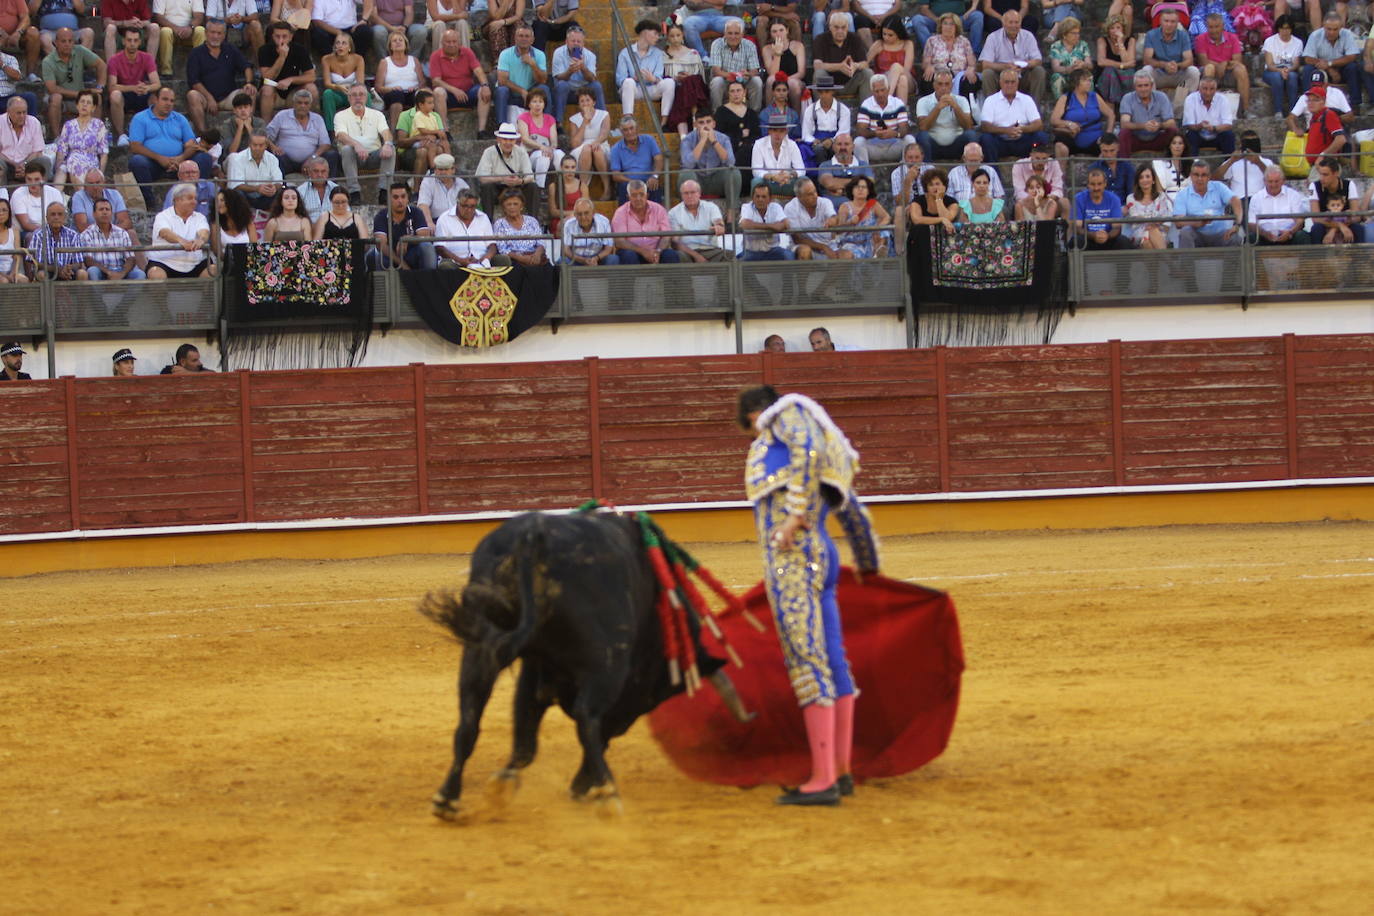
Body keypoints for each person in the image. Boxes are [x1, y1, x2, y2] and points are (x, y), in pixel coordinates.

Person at [736, 384, 878, 805]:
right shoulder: (818, 436)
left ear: (753, 416)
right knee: (833, 659)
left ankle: (822, 780)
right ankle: (841, 770)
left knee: (805, 658)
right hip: (823, 550)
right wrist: (866, 551)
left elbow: (809, 449)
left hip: (794, 559)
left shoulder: (784, 416)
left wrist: (794, 518)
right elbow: (844, 496)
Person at [186, 19, 255, 135]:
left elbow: (246, 67)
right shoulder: (196, 53)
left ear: (224, 35)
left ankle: (248, 130)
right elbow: (194, 81)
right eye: (212, 32)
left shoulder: (230, 49)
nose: (215, 36)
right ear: (206, 33)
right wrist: (209, 98)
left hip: (229, 97)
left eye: (219, 33)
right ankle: (203, 135)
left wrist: (249, 82)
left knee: (251, 91)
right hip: (205, 98)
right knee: (192, 95)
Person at [334, 83, 396, 205]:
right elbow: (341, 135)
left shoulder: (377, 114)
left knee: (391, 148)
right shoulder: (340, 116)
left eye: (361, 94)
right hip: (354, 157)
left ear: (366, 97)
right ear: (349, 98)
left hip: (374, 155)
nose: (358, 98)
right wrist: (356, 145)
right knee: (346, 149)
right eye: (354, 95)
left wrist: (387, 143)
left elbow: (386, 132)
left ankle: (384, 191)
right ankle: (354, 192)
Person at [40, 27, 104, 138]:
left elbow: (101, 65)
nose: (67, 44)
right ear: (56, 43)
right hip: (60, 98)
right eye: (63, 41)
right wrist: (80, 93)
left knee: (96, 97)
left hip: (79, 97)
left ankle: (94, 136)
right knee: (56, 98)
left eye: (70, 41)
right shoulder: (48, 61)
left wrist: (100, 86)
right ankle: (57, 138)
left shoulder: (79, 51)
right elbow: (52, 88)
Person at [978, 67, 1049, 161]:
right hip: (1000, 141)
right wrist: (1006, 130)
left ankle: (1035, 169)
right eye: (1006, 82)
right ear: (1000, 83)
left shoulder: (1026, 99)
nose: (1010, 85)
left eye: (1013, 82)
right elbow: (985, 126)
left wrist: (1022, 129)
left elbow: (1038, 124)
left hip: (1022, 140)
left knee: (1041, 137)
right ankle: (993, 171)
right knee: (986, 139)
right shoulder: (991, 100)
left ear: (1018, 83)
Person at [429, 26, 491, 132]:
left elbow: (478, 71)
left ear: (459, 42)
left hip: (468, 93)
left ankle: (482, 130)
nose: (452, 44)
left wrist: (485, 86)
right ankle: (445, 130)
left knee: (483, 91)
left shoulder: (467, 52)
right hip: (448, 96)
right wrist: (454, 90)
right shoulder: (435, 56)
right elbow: (436, 80)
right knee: (438, 92)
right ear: (442, 43)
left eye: (454, 41)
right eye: (448, 42)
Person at [107, 24, 160, 145]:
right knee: (115, 95)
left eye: (135, 40)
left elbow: (157, 83)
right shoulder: (114, 60)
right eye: (129, 40)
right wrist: (133, 88)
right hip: (124, 94)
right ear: (123, 41)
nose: (132, 43)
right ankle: (121, 135)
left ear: (140, 42)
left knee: (155, 96)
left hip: (141, 93)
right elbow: (112, 86)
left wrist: (147, 88)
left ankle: (153, 133)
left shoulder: (147, 58)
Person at [1140, 8, 1199, 115]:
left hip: (1178, 74)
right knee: (1146, 70)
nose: (1169, 24)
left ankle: (1181, 111)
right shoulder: (1151, 35)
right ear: (1160, 22)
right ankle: (1154, 109)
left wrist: (1177, 65)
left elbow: (1189, 60)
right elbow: (1147, 59)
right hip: (1160, 74)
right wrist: (1163, 65)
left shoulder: (1183, 35)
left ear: (1177, 23)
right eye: (1166, 21)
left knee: (1194, 71)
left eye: (1172, 22)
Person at [680, 107, 740, 211]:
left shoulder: (723, 138)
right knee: (686, 174)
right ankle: (690, 213)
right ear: (695, 125)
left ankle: (731, 218)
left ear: (714, 124)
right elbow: (688, 164)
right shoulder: (687, 140)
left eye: (708, 122)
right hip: (697, 180)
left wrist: (714, 141)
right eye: (701, 123)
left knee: (734, 172)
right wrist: (702, 141)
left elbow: (730, 162)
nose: (705, 125)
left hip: (716, 179)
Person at [1173, 157, 1242, 248]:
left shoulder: (1218, 187)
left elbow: (1235, 200)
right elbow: (1178, 222)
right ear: (1191, 176)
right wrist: (1197, 223)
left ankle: (1230, 263)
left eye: (1204, 175)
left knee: (1234, 237)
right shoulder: (1183, 194)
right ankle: (1187, 263)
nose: (1200, 179)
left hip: (1220, 234)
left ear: (1209, 176)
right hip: (1196, 234)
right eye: (1196, 175)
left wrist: (1237, 224)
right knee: (1185, 232)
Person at [266, 89, 335, 178]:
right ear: (293, 103)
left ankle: (332, 188)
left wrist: (312, 158)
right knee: (275, 158)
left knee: (332, 155)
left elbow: (325, 144)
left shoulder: (318, 119)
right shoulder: (282, 116)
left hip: (312, 161)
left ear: (310, 105)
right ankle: (280, 189)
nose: (302, 106)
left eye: (306, 103)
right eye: (299, 103)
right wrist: (273, 147)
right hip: (286, 160)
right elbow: (265, 136)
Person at [149, 183, 213, 278]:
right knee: (156, 274)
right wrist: (182, 242)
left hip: (195, 263)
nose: (194, 202)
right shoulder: (162, 216)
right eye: (190, 198)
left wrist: (201, 240)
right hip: (164, 262)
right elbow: (165, 233)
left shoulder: (200, 217)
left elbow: (204, 231)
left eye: (195, 199)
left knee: (212, 270)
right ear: (177, 200)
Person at [978, 9, 1045, 100]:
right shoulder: (993, 37)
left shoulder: (1028, 36)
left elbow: (1038, 60)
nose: (1014, 25)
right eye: (1010, 22)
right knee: (987, 73)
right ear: (1004, 23)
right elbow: (985, 64)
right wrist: (1005, 66)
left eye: (1016, 22)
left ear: (1020, 23)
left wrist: (1025, 64)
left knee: (1039, 71)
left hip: (1023, 74)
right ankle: (991, 108)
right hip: (1001, 76)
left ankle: (1034, 109)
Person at [258, 21, 318, 122]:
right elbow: (267, 77)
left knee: (312, 88)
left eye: (284, 36)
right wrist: (282, 58)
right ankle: (266, 127)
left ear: (290, 37)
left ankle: (311, 123)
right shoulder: (264, 50)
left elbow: (311, 76)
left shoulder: (300, 50)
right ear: (272, 36)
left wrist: (290, 80)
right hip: (272, 89)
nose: (281, 40)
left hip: (292, 90)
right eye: (277, 36)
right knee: (267, 90)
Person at [612, 179, 681, 265]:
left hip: (655, 250)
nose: (638, 198)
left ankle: (674, 279)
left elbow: (666, 237)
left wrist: (658, 252)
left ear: (647, 195)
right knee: (628, 255)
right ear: (628, 197)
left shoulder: (659, 209)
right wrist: (643, 251)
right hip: (633, 252)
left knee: (671, 255)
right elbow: (619, 241)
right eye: (634, 195)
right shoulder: (620, 212)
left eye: (641, 194)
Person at [616, 19, 673, 122]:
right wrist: (634, 78)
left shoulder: (658, 53)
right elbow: (620, 79)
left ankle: (665, 120)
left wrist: (653, 79)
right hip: (633, 90)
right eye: (655, 33)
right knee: (628, 82)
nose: (657, 37)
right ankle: (628, 119)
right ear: (645, 32)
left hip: (651, 89)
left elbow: (659, 76)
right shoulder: (625, 52)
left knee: (669, 82)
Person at [1050, 68, 1113, 160]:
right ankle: (1061, 174)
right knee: (1060, 145)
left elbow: (1111, 114)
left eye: (1090, 80)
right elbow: (1054, 120)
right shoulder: (1065, 98)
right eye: (1085, 80)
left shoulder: (1094, 96)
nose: (1089, 83)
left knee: (1107, 148)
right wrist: (1069, 124)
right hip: (1073, 137)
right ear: (1076, 82)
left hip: (1095, 138)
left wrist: (1108, 133)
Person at [1302, 11, 1361, 109]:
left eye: (1335, 29)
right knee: (1308, 69)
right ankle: (1307, 103)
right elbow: (1308, 58)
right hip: (1321, 69)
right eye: (1329, 29)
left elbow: (1352, 56)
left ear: (1341, 27)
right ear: (1323, 26)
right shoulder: (1315, 35)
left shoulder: (1347, 34)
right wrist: (1329, 69)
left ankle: (1355, 104)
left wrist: (1330, 64)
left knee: (1353, 67)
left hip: (1341, 68)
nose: (1331, 32)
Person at [1193, 12, 1249, 115]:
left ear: (1223, 26)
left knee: (1241, 69)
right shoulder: (1200, 39)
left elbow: (1237, 60)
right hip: (1208, 72)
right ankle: (1205, 109)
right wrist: (1218, 65)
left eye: (1217, 26)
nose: (1214, 30)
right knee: (1209, 67)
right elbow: (1203, 61)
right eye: (1211, 27)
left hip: (1228, 71)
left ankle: (1246, 110)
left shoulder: (1232, 37)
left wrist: (1225, 63)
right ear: (1206, 27)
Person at [475, 121, 535, 215]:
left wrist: (520, 181)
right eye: (505, 139)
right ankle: (488, 220)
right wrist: (502, 178)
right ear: (498, 139)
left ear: (515, 140)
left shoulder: (521, 152)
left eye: (511, 140)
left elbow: (530, 176)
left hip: (516, 185)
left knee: (533, 186)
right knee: (487, 187)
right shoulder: (489, 152)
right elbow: (482, 178)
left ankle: (534, 219)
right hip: (497, 186)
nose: (508, 143)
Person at [493, 23, 549, 124]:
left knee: (544, 89)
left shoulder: (540, 55)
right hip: (510, 93)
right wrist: (522, 91)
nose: (524, 39)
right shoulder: (505, 54)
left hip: (530, 93)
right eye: (521, 36)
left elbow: (543, 80)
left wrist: (533, 65)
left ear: (532, 40)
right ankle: (502, 127)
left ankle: (547, 124)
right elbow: (502, 80)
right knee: (502, 90)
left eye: (527, 36)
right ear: (515, 38)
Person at [853, 74, 914, 164]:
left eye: (882, 90)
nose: (880, 94)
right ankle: (865, 173)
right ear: (872, 91)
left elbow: (905, 128)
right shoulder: (866, 104)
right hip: (873, 147)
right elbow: (860, 130)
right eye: (876, 91)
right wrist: (875, 133)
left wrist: (894, 133)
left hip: (894, 145)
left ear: (888, 89)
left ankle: (905, 171)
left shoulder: (898, 103)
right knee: (858, 142)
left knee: (910, 139)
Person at [371, 181, 433, 269]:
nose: (400, 201)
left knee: (427, 247)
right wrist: (402, 264)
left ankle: (429, 280)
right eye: (396, 197)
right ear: (389, 200)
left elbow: (425, 236)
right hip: (391, 256)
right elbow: (381, 245)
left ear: (408, 198)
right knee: (376, 255)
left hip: (412, 253)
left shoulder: (416, 212)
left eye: (403, 197)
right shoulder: (381, 216)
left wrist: (407, 239)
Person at [80, 197, 145, 278]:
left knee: (140, 274)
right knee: (92, 271)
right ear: (94, 214)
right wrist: (109, 272)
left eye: (107, 209)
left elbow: (131, 258)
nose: (104, 212)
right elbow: (88, 260)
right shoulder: (87, 234)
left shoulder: (122, 233)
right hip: (100, 271)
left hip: (121, 270)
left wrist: (121, 274)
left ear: (112, 213)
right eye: (101, 209)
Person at [53, 88, 107, 185]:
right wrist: (57, 167)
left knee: (74, 162)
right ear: (77, 105)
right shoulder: (68, 125)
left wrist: (101, 173)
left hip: (90, 163)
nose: (84, 105)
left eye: (88, 103)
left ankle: (82, 194)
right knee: (62, 169)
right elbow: (62, 150)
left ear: (93, 108)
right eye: (82, 101)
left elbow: (104, 152)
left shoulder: (99, 125)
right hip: (71, 161)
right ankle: (57, 197)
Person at [1119, 71, 1178, 158]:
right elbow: (1124, 124)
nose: (1143, 89)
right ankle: (1124, 166)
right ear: (1134, 87)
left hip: (1157, 138)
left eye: (1146, 85)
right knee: (1124, 133)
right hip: (1136, 139)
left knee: (1173, 130)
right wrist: (1144, 126)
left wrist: (1159, 125)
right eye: (1140, 86)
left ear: (1151, 85)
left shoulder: (1161, 97)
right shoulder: (1127, 98)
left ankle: (1172, 165)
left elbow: (1171, 122)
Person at [435, 189, 501, 268]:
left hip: (481, 261)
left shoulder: (483, 217)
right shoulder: (444, 218)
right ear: (457, 203)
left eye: (472, 206)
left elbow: (492, 245)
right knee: (446, 266)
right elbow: (439, 247)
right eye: (465, 206)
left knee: (503, 259)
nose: (469, 210)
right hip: (455, 261)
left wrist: (486, 258)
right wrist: (460, 260)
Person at [708, 17, 763, 110]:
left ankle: (754, 115)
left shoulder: (750, 45)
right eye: (729, 33)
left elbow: (754, 70)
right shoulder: (717, 44)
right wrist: (734, 75)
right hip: (725, 81)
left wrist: (748, 74)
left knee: (757, 81)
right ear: (724, 34)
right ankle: (717, 115)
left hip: (744, 82)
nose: (733, 37)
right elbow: (716, 71)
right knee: (717, 81)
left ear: (742, 34)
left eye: (736, 33)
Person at [662, 22, 706, 137]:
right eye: (672, 36)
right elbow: (661, 77)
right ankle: (693, 121)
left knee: (690, 82)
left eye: (678, 35)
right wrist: (675, 78)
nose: (675, 39)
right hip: (675, 89)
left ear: (683, 35)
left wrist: (688, 77)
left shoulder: (693, 53)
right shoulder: (663, 55)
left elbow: (699, 78)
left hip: (693, 91)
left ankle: (688, 128)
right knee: (684, 87)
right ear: (667, 37)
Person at [669, 178, 728, 262]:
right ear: (681, 195)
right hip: (687, 252)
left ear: (699, 194)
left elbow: (719, 222)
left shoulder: (711, 207)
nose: (689, 196)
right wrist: (696, 256)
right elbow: (675, 243)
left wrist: (719, 226)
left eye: (692, 192)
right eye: (686, 193)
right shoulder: (673, 213)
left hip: (710, 249)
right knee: (677, 256)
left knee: (729, 255)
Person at [550, 24, 602, 120]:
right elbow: (558, 77)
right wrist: (570, 71)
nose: (576, 44)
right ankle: (558, 123)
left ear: (583, 43)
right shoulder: (558, 53)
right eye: (573, 41)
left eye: (579, 41)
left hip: (584, 91)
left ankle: (602, 119)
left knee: (596, 85)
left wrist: (583, 67)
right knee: (562, 85)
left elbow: (592, 79)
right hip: (567, 91)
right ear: (567, 42)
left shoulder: (590, 55)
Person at [374, 31, 424, 130]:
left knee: (421, 96)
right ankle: (394, 132)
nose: (398, 42)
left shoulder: (414, 60)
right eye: (394, 41)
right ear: (390, 46)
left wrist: (416, 87)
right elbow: (378, 87)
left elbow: (423, 82)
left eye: (401, 40)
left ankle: (420, 130)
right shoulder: (385, 62)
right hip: (392, 94)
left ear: (406, 45)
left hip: (412, 92)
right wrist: (391, 88)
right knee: (397, 95)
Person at [395, 88, 449, 180]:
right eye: (429, 102)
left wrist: (437, 138)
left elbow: (441, 135)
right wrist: (419, 138)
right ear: (420, 104)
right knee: (422, 151)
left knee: (440, 148)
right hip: (409, 152)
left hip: (432, 145)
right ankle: (417, 189)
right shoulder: (405, 115)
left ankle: (447, 171)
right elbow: (400, 143)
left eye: (432, 102)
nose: (432, 105)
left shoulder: (435, 115)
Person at [1249, 164, 1309, 245]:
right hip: (1264, 235)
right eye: (1270, 181)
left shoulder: (1293, 195)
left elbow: (1300, 220)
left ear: (1283, 181)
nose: (1273, 185)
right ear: (1264, 181)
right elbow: (1251, 223)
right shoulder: (1256, 198)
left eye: (1276, 181)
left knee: (1302, 236)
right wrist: (1265, 234)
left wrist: (1290, 232)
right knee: (1251, 238)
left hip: (1289, 235)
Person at [920, 12, 977, 97]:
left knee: (970, 79)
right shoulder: (932, 41)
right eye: (945, 24)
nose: (948, 27)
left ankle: (964, 108)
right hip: (939, 74)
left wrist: (970, 69)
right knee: (928, 78)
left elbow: (972, 63)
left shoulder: (964, 41)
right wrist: (929, 66)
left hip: (959, 75)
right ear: (941, 26)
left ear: (956, 27)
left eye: (951, 24)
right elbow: (926, 62)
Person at [608, 115, 662, 204]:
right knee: (624, 187)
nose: (629, 132)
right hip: (629, 182)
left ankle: (657, 216)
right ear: (621, 132)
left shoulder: (649, 140)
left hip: (648, 180)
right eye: (625, 130)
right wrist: (632, 182)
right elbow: (616, 175)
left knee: (654, 185)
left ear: (637, 129)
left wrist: (655, 176)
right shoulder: (616, 148)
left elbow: (659, 159)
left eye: (631, 128)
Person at [567, 87, 610, 200]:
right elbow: (575, 143)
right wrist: (585, 122)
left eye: (588, 100)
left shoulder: (604, 114)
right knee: (586, 149)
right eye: (582, 101)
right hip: (582, 147)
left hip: (600, 143)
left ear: (594, 102)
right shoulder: (574, 119)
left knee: (597, 150)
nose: (585, 103)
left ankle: (607, 188)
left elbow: (605, 133)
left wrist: (597, 142)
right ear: (578, 104)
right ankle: (584, 189)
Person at [715, 78, 759, 185]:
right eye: (732, 91)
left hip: (749, 151)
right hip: (730, 151)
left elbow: (757, 135)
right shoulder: (721, 112)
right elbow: (719, 135)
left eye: (738, 90)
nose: (736, 94)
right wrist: (739, 136)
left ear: (744, 92)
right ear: (728, 94)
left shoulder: (751, 113)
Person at [832, 175, 891, 256]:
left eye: (864, 187)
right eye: (857, 187)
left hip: (870, 241)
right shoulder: (845, 207)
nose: (860, 189)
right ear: (852, 190)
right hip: (852, 244)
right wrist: (850, 222)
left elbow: (886, 217)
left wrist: (877, 228)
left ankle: (878, 253)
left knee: (884, 232)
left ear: (868, 191)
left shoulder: (873, 204)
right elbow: (839, 229)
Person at [802, 73, 852, 165]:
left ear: (832, 92)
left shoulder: (843, 110)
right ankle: (821, 175)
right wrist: (814, 141)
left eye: (827, 92)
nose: (824, 95)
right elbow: (806, 134)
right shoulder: (810, 110)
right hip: (817, 143)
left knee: (841, 148)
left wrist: (832, 141)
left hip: (836, 141)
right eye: (821, 92)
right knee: (817, 150)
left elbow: (844, 132)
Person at [515, 86, 560, 189]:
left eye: (540, 101)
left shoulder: (550, 119)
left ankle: (560, 186)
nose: (538, 104)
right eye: (534, 101)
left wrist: (551, 148)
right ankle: (540, 187)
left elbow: (554, 141)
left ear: (544, 104)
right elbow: (525, 139)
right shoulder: (523, 117)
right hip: (529, 153)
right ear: (529, 104)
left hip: (547, 149)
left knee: (560, 154)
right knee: (543, 157)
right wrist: (542, 147)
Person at [227, 129, 283, 209]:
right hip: (245, 197)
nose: (257, 148)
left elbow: (279, 181)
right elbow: (235, 185)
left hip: (266, 196)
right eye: (255, 145)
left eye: (261, 145)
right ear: (249, 144)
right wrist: (257, 188)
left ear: (266, 145)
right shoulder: (238, 158)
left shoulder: (272, 159)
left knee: (282, 191)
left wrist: (274, 187)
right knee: (236, 193)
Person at [785, 177, 841, 259]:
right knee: (804, 251)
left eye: (815, 191)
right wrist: (823, 247)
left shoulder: (825, 202)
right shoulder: (790, 207)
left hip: (829, 244)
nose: (815, 196)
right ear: (799, 197)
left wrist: (833, 220)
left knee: (846, 255)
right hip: (804, 246)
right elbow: (797, 239)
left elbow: (834, 217)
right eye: (809, 194)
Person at [8, 160, 64, 240]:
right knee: (34, 237)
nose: (32, 183)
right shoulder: (18, 194)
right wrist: (47, 232)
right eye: (29, 179)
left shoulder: (54, 193)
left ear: (44, 179)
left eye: (36, 179)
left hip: (51, 229)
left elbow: (59, 217)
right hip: (25, 232)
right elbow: (26, 224)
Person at [29, 201, 85, 280]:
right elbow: (35, 263)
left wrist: (68, 268)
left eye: (60, 214)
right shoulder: (38, 235)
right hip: (48, 271)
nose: (56, 217)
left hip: (68, 272)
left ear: (65, 217)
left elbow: (78, 262)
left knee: (82, 273)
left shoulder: (73, 235)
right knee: (41, 274)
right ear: (47, 218)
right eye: (53, 214)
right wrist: (57, 270)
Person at [1308, 155, 1360, 240]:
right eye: (1320, 174)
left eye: (1325, 175)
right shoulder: (1313, 186)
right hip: (1325, 224)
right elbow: (1315, 218)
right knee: (1316, 228)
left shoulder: (1350, 185)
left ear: (1335, 174)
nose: (1321, 178)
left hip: (1346, 222)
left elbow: (1356, 215)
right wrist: (1339, 225)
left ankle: (1358, 253)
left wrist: (1334, 229)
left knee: (1358, 228)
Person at [1073, 168, 1127, 249]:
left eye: (1099, 184)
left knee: (1123, 241)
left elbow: (1116, 228)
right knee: (1076, 241)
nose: (1096, 188)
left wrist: (1107, 236)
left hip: (1108, 238)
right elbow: (1077, 228)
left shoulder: (1114, 199)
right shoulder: (1078, 198)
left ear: (1105, 184)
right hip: (1088, 239)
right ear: (1087, 184)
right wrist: (1093, 235)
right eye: (1092, 184)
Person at [752, 111, 803, 196]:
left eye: (781, 131)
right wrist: (772, 177)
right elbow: (756, 170)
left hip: (787, 181)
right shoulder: (759, 144)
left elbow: (801, 169)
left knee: (804, 181)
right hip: (769, 183)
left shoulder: (792, 145)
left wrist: (789, 175)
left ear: (786, 132)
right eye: (775, 130)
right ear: (769, 131)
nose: (778, 134)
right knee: (756, 182)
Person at [738, 182, 793, 261]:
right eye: (757, 196)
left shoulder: (776, 207)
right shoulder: (747, 207)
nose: (760, 199)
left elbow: (786, 223)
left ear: (770, 199)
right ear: (752, 198)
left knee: (790, 257)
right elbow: (744, 224)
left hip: (773, 250)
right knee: (737, 262)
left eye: (764, 197)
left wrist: (755, 226)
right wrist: (772, 226)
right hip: (751, 252)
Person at [817, 133, 874, 208]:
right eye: (839, 144)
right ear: (833, 147)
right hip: (832, 211)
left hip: (860, 209)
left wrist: (842, 190)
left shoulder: (863, 165)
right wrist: (858, 183)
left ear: (853, 147)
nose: (843, 148)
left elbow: (869, 184)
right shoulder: (825, 165)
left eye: (846, 144)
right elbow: (829, 183)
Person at [320, 31, 363, 129]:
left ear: (350, 47)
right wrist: (338, 87)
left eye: (344, 43)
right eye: (337, 43)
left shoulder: (358, 59)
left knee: (366, 95)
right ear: (334, 46)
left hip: (353, 93)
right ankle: (331, 131)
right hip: (336, 93)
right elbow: (327, 83)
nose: (340, 46)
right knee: (327, 93)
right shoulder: (326, 59)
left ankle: (366, 127)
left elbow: (360, 83)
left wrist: (352, 90)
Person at [1262, 14, 1303, 117]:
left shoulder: (1298, 42)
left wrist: (1287, 70)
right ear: (1278, 29)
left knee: (1293, 77)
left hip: (1290, 69)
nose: (1285, 31)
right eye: (1282, 28)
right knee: (1276, 78)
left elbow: (1296, 64)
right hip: (1272, 71)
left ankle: (1293, 111)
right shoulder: (1270, 41)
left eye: (1288, 28)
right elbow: (1269, 64)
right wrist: (1280, 71)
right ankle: (1278, 111)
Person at [1181, 75, 1234, 155]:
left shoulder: (1223, 99)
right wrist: (1200, 126)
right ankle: (1192, 164)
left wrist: (1213, 128)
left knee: (1228, 135)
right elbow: (1189, 124)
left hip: (1217, 135)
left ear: (1216, 89)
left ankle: (1229, 164)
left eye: (1212, 89)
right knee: (1191, 135)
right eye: (1205, 89)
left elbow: (1228, 124)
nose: (1208, 93)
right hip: (1198, 134)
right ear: (1199, 89)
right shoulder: (1190, 99)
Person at [152, 0, 205, 78]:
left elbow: (199, 16)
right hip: (170, 30)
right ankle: (166, 72)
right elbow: (159, 16)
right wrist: (175, 28)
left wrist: (190, 27)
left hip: (189, 31)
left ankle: (200, 70)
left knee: (200, 30)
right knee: (165, 31)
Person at [492, 188, 545, 265]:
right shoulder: (499, 224)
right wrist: (522, 258)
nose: (512, 207)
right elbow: (502, 249)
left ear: (521, 205)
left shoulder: (532, 221)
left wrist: (537, 255)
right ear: (504, 207)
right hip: (513, 260)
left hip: (534, 257)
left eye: (515, 204)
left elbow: (541, 242)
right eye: (509, 204)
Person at [911, 1, 984, 57]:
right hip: (936, 20)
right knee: (917, 19)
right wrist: (936, 19)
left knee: (977, 16)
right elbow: (923, 8)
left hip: (958, 19)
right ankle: (932, 52)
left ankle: (975, 54)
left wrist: (973, 7)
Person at [865, 16, 913, 102]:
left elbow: (906, 70)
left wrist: (894, 72)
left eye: (890, 35)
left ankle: (887, 98)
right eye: (884, 34)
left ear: (898, 33)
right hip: (883, 80)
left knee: (897, 68)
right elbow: (865, 62)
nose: (886, 37)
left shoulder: (908, 44)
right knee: (902, 80)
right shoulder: (879, 44)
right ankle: (902, 112)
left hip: (907, 78)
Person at [1123, 165, 1171, 248]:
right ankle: (1165, 259)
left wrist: (1147, 220)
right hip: (1139, 232)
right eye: (1141, 177)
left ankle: (1159, 260)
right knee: (1149, 233)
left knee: (1147, 242)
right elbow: (1135, 218)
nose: (1145, 180)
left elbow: (1164, 216)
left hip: (1159, 231)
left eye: (1148, 176)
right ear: (1137, 181)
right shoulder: (1131, 198)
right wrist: (1152, 220)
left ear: (1153, 180)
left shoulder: (1161, 196)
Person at [763, 17, 806, 111]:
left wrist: (785, 81)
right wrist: (777, 54)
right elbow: (772, 74)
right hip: (776, 80)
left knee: (793, 83)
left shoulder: (798, 46)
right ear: (770, 34)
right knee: (770, 80)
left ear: (787, 30)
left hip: (795, 79)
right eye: (774, 31)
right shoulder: (767, 49)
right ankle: (770, 115)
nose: (778, 34)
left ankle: (796, 119)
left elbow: (801, 72)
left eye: (781, 30)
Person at [1214, 130, 1272, 199]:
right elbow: (1215, 178)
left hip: (1260, 201)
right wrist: (1231, 160)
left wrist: (1258, 162)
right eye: (1248, 143)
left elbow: (1273, 178)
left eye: (1254, 143)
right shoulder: (1233, 161)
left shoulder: (1266, 162)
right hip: (1240, 201)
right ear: (1241, 144)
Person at [0, 96, 44, 184]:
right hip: (6, 162)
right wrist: (14, 164)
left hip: (28, 163)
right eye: (18, 113)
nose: (22, 116)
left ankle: (40, 194)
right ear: (8, 112)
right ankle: (2, 194)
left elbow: (37, 151)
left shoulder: (34, 123)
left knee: (45, 161)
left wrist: (24, 164)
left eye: (24, 112)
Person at [560, 196, 616, 265]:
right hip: (576, 259)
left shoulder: (604, 222)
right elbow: (566, 250)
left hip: (598, 258)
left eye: (586, 213)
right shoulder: (569, 224)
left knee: (613, 259)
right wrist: (582, 260)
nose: (583, 217)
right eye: (579, 214)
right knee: (561, 261)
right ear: (575, 215)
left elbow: (608, 247)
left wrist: (596, 258)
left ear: (593, 213)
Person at [1096, 14, 1137, 105]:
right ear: (1108, 30)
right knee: (1110, 71)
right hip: (1106, 77)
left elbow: (1130, 61)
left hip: (1124, 76)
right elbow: (1101, 61)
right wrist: (1122, 65)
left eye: (1118, 27)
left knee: (1130, 73)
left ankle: (1126, 105)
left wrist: (1120, 42)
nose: (1115, 31)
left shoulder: (1131, 40)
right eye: (1112, 28)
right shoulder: (1102, 40)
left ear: (1123, 29)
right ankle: (1111, 106)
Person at [415, 151, 467, 225]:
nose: (443, 172)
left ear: (453, 170)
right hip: (437, 221)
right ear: (435, 170)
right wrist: (429, 222)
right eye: (440, 169)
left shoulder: (461, 184)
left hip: (458, 221)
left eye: (446, 169)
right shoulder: (428, 182)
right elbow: (423, 205)